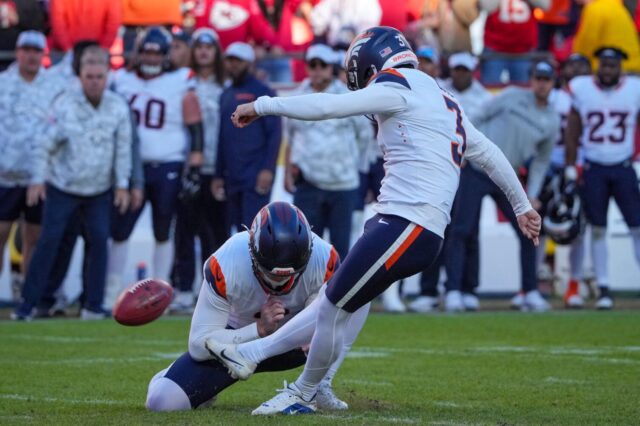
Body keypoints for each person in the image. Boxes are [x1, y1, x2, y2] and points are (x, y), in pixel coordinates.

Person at [207, 26, 541, 414]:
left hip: (407, 224)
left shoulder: (398, 86)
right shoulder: (441, 96)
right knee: (348, 301)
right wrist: (521, 206)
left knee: (333, 304)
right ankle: (292, 372)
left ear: (371, 62)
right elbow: (489, 153)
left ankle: (301, 391)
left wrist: (263, 105)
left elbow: (328, 107)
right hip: (406, 224)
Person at [145, 202, 369, 411]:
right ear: (252, 251)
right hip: (234, 347)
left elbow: (324, 311)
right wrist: (259, 329)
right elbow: (198, 344)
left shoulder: (324, 257)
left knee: (357, 289)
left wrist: (314, 330)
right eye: (270, 273)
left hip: (291, 344)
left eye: (290, 275)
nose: (279, 283)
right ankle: (170, 377)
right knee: (162, 402)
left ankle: (320, 383)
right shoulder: (227, 262)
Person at [12, 47, 132, 321]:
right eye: (89, 76)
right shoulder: (64, 103)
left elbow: (123, 148)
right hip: (62, 187)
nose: (94, 81)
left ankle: (93, 305)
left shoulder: (117, 106)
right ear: (80, 76)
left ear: (107, 76)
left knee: (99, 241)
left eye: (99, 76)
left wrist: (122, 184)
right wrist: (38, 179)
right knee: (49, 242)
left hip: (99, 189)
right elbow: (45, 145)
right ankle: (27, 306)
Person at [446, 61, 557, 313]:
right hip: (477, 168)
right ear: (532, 79)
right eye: (538, 78)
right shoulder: (511, 96)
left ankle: (529, 291)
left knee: (527, 228)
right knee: (462, 229)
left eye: (546, 79)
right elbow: (475, 118)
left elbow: (541, 161)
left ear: (552, 83)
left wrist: (534, 194)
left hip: (508, 175)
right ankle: (456, 290)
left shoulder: (551, 119)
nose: (541, 83)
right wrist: (464, 151)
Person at [108, 26, 204, 295]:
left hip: (168, 163)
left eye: (156, 53)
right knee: (120, 228)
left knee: (164, 228)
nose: (151, 59)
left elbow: (195, 126)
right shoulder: (121, 79)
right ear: (138, 53)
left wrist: (194, 167)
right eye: (146, 53)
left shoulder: (181, 80)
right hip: (130, 166)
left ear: (165, 55)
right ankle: (111, 288)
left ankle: (160, 288)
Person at [412, 51, 493, 313]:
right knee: (435, 228)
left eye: (464, 69)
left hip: (470, 169)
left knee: (467, 230)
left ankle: (466, 287)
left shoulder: (484, 98)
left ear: (473, 71)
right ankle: (430, 289)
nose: (460, 73)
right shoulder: (440, 90)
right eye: (457, 69)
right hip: (441, 167)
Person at [564, 46, 640, 310]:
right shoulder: (582, 88)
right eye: (604, 64)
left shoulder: (634, 88)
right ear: (598, 66)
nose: (608, 70)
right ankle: (604, 287)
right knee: (597, 229)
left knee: (637, 227)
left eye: (612, 65)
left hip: (623, 166)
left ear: (620, 67)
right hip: (594, 168)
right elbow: (573, 129)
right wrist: (571, 164)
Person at [284, 43, 373, 260]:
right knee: (304, 246)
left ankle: (337, 294)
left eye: (321, 65)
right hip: (308, 183)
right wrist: (287, 173)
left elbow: (365, 136)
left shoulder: (347, 97)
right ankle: (308, 294)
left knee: (340, 247)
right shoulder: (295, 97)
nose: (316, 70)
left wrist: (355, 168)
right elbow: (289, 137)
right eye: (312, 64)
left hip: (343, 184)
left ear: (330, 68)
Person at [170, 28, 229, 313]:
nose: (204, 51)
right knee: (184, 230)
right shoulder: (181, 81)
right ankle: (183, 288)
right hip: (186, 166)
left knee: (215, 234)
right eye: (199, 46)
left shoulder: (227, 85)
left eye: (210, 46)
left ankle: (212, 292)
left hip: (217, 169)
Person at [0, 31, 62, 298]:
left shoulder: (54, 85)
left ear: (43, 54)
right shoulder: (3, 83)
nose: (31, 56)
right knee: (0, 235)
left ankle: (27, 297)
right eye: (27, 50)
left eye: (37, 51)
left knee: (34, 241)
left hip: (40, 177)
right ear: (17, 51)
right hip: (5, 174)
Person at [212, 42, 281, 233]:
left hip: (255, 173)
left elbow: (274, 134)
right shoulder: (225, 94)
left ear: (250, 64)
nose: (233, 65)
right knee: (232, 233)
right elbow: (222, 136)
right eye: (230, 60)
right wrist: (218, 174)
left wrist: (268, 169)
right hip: (231, 175)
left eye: (238, 61)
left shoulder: (263, 92)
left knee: (254, 231)